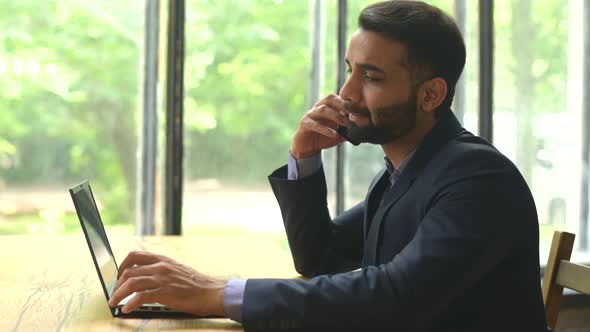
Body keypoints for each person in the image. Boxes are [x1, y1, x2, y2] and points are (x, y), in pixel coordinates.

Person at [108, 1, 548, 331]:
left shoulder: (476, 180)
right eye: (349, 71)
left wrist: (218, 294)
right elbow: (321, 257)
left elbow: (397, 296)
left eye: (371, 77)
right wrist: (304, 160)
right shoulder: (404, 172)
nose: (346, 93)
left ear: (431, 95)